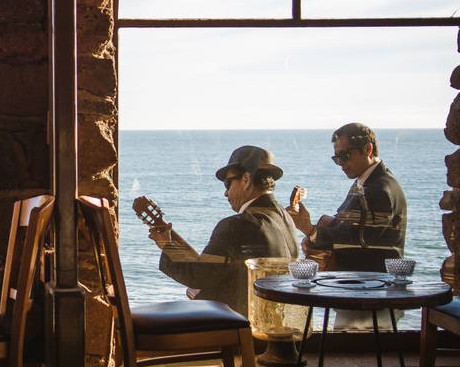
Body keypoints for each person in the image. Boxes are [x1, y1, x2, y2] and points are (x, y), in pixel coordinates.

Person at [148, 146, 299, 315]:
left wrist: (166, 245)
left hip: (236, 326)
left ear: (246, 179)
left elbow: (197, 277)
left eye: (228, 183)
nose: (225, 193)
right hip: (273, 318)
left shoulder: (237, 225)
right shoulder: (287, 220)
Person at [286, 123, 407, 330]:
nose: (341, 163)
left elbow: (355, 240)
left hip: (370, 294)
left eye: (346, 155)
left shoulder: (379, 190)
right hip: (366, 291)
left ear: (368, 149)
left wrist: (310, 230)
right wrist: (316, 229)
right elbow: (352, 227)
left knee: (363, 352)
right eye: (337, 157)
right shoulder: (367, 183)